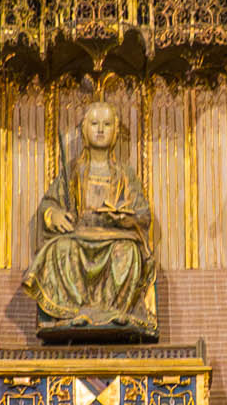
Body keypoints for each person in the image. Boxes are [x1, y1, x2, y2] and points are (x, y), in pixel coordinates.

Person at [23, 99, 159, 338]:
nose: (100, 129)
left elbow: (143, 213)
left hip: (114, 236)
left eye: (106, 124)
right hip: (80, 235)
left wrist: (124, 217)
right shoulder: (73, 171)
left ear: (115, 132)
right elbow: (49, 203)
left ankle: (114, 311)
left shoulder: (124, 174)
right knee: (60, 249)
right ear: (84, 130)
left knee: (128, 252)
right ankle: (74, 311)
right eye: (95, 124)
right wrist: (53, 214)